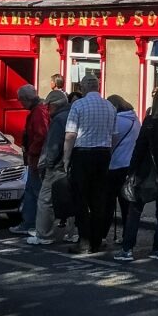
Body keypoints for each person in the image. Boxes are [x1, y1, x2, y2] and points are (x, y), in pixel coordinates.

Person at [114, 89, 158, 262]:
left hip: (147, 172)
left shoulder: (151, 122)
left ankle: (128, 248)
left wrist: (131, 172)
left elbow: (139, 149)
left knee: (135, 210)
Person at [63, 74, 118, 255]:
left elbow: (70, 135)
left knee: (80, 200)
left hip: (82, 154)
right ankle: (96, 240)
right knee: (98, 201)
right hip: (103, 155)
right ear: (98, 87)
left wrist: (66, 159)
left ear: (84, 87)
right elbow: (114, 136)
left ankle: (84, 241)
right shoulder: (110, 106)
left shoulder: (78, 105)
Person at [28, 90, 78, 245]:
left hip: (57, 166)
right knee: (72, 199)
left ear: (53, 105)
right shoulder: (74, 114)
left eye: (48, 106)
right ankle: (73, 233)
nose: (47, 109)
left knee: (45, 200)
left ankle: (44, 234)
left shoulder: (58, 120)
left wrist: (47, 164)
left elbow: (54, 146)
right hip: (74, 164)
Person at [11, 84, 50, 236]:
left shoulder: (38, 112)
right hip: (36, 158)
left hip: (36, 159)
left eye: (21, 101)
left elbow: (41, 135)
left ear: (26, 99)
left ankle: (29, 223)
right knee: (34, 191)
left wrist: (31, 152)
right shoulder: (39, 110)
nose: (20, 104)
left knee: (33, 192)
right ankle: (32, 223)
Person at [101, 94, 140, 242]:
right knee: (126, 204)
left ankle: (102, 234)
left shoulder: (118, 122)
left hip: (115, 165)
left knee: (108, 203)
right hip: (129, 166)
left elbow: (109, 142)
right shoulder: (135, 120)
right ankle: (127, 236)